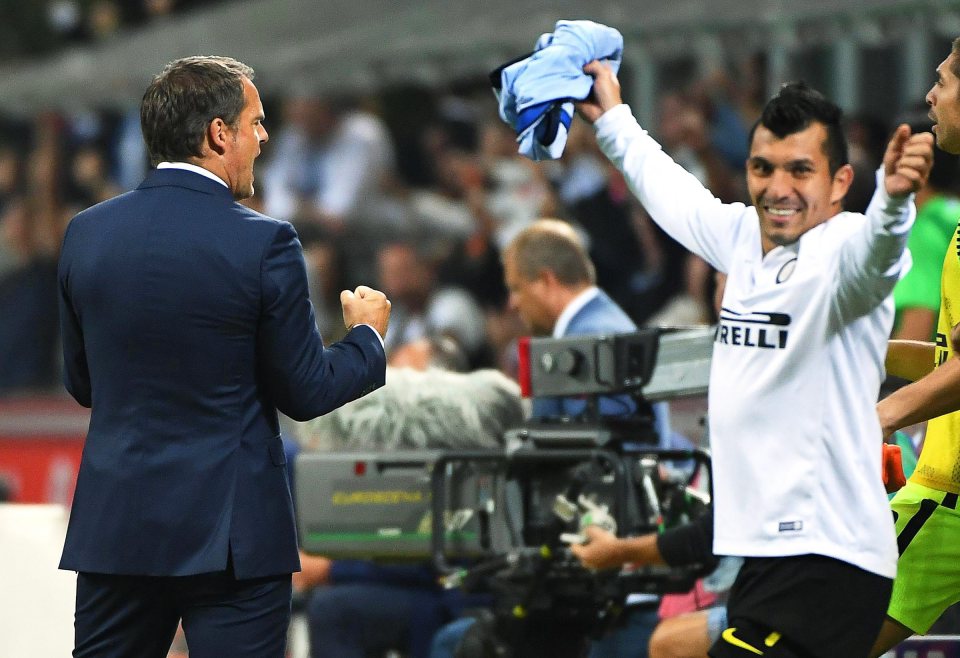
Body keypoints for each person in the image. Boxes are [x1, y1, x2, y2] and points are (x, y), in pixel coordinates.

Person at [576, 58, 932, 657]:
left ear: (840, 183)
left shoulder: (842, 247)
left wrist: (893, 207)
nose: (779, 188)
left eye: (800, 171)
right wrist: (611, 116)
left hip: (828, 554)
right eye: (763, 169)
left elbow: (877, 262)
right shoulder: (742, 239)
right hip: (767, 559)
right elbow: (673, 194)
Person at [56, 56, 391, 658]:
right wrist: (366, 338)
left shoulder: (86, 233)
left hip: (119, 528)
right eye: (256, 122)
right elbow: (306, 391)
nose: (264, 138)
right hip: (232, 537)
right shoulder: (266, 242)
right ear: (218, 133)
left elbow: (83, 383)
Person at [431, 218, 682, 658]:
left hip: (602, 582)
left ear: (546, 281)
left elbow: (605, 458)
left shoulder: (585, 346)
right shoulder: (609, 328)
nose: (512, 302)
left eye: (516, 287)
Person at [873, 37, 960, 656]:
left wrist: (877, 417)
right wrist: (858, 350)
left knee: (805, 637)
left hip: (947, 499)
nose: (931, 95)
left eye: (945, 80)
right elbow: (948, 361)